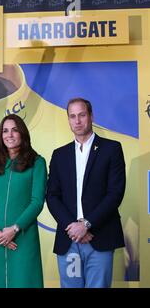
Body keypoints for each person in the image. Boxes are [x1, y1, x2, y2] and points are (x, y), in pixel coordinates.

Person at [46, 97, 126, 288]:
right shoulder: (59, 155)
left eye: (82, 115)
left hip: (100, 236)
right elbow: (52, 196)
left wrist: (87, 225)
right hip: (69, 239)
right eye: (72, 116)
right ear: (68, 120)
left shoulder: (112, 149)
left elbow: (115, 193)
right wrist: (73, 227)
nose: (77, 121)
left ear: (91, 116)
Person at [0, 114, 47, 288]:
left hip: (23, 239)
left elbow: (37, 202)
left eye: (14, 130)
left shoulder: (37, 163)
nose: (9, 135)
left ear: (22, 134)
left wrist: (15, 228)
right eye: (5, 131)